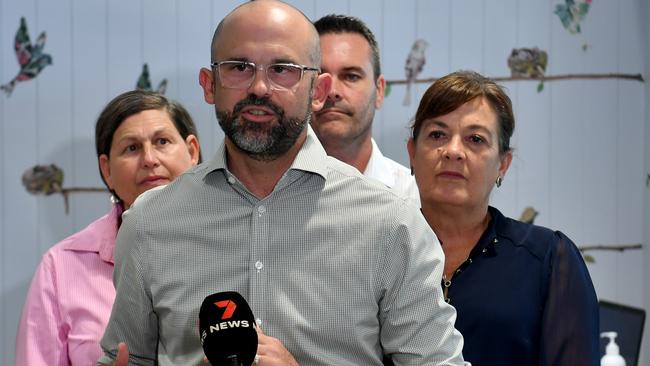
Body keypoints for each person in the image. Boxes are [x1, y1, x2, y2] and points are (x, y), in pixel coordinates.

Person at [98, 1, 466, 365]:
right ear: (209, 85)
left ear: (318, 91)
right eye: (239, 67)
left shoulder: (391, 223)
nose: (259, 87)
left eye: (282, 69)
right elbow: (126, 359)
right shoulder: (149, 222)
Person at [407, 70, 600, 365]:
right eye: (437, 135)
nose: (454, 151)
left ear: (503, 164)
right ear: (412, 152)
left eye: (475, 139)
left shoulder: (547, 259)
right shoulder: (380, 251)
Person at [15, 90, 201, 366]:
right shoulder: (61, 267)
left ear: (192, 151)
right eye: (132, 148)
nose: (149, 159)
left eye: (162, 141)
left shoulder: (237, 241)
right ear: (107, 171)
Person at [312, 14, 419, 206]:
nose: (333, 91)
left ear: (379, 91)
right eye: (320, 77)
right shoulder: (268, 192)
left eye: (351, 76)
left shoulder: (415, 200)